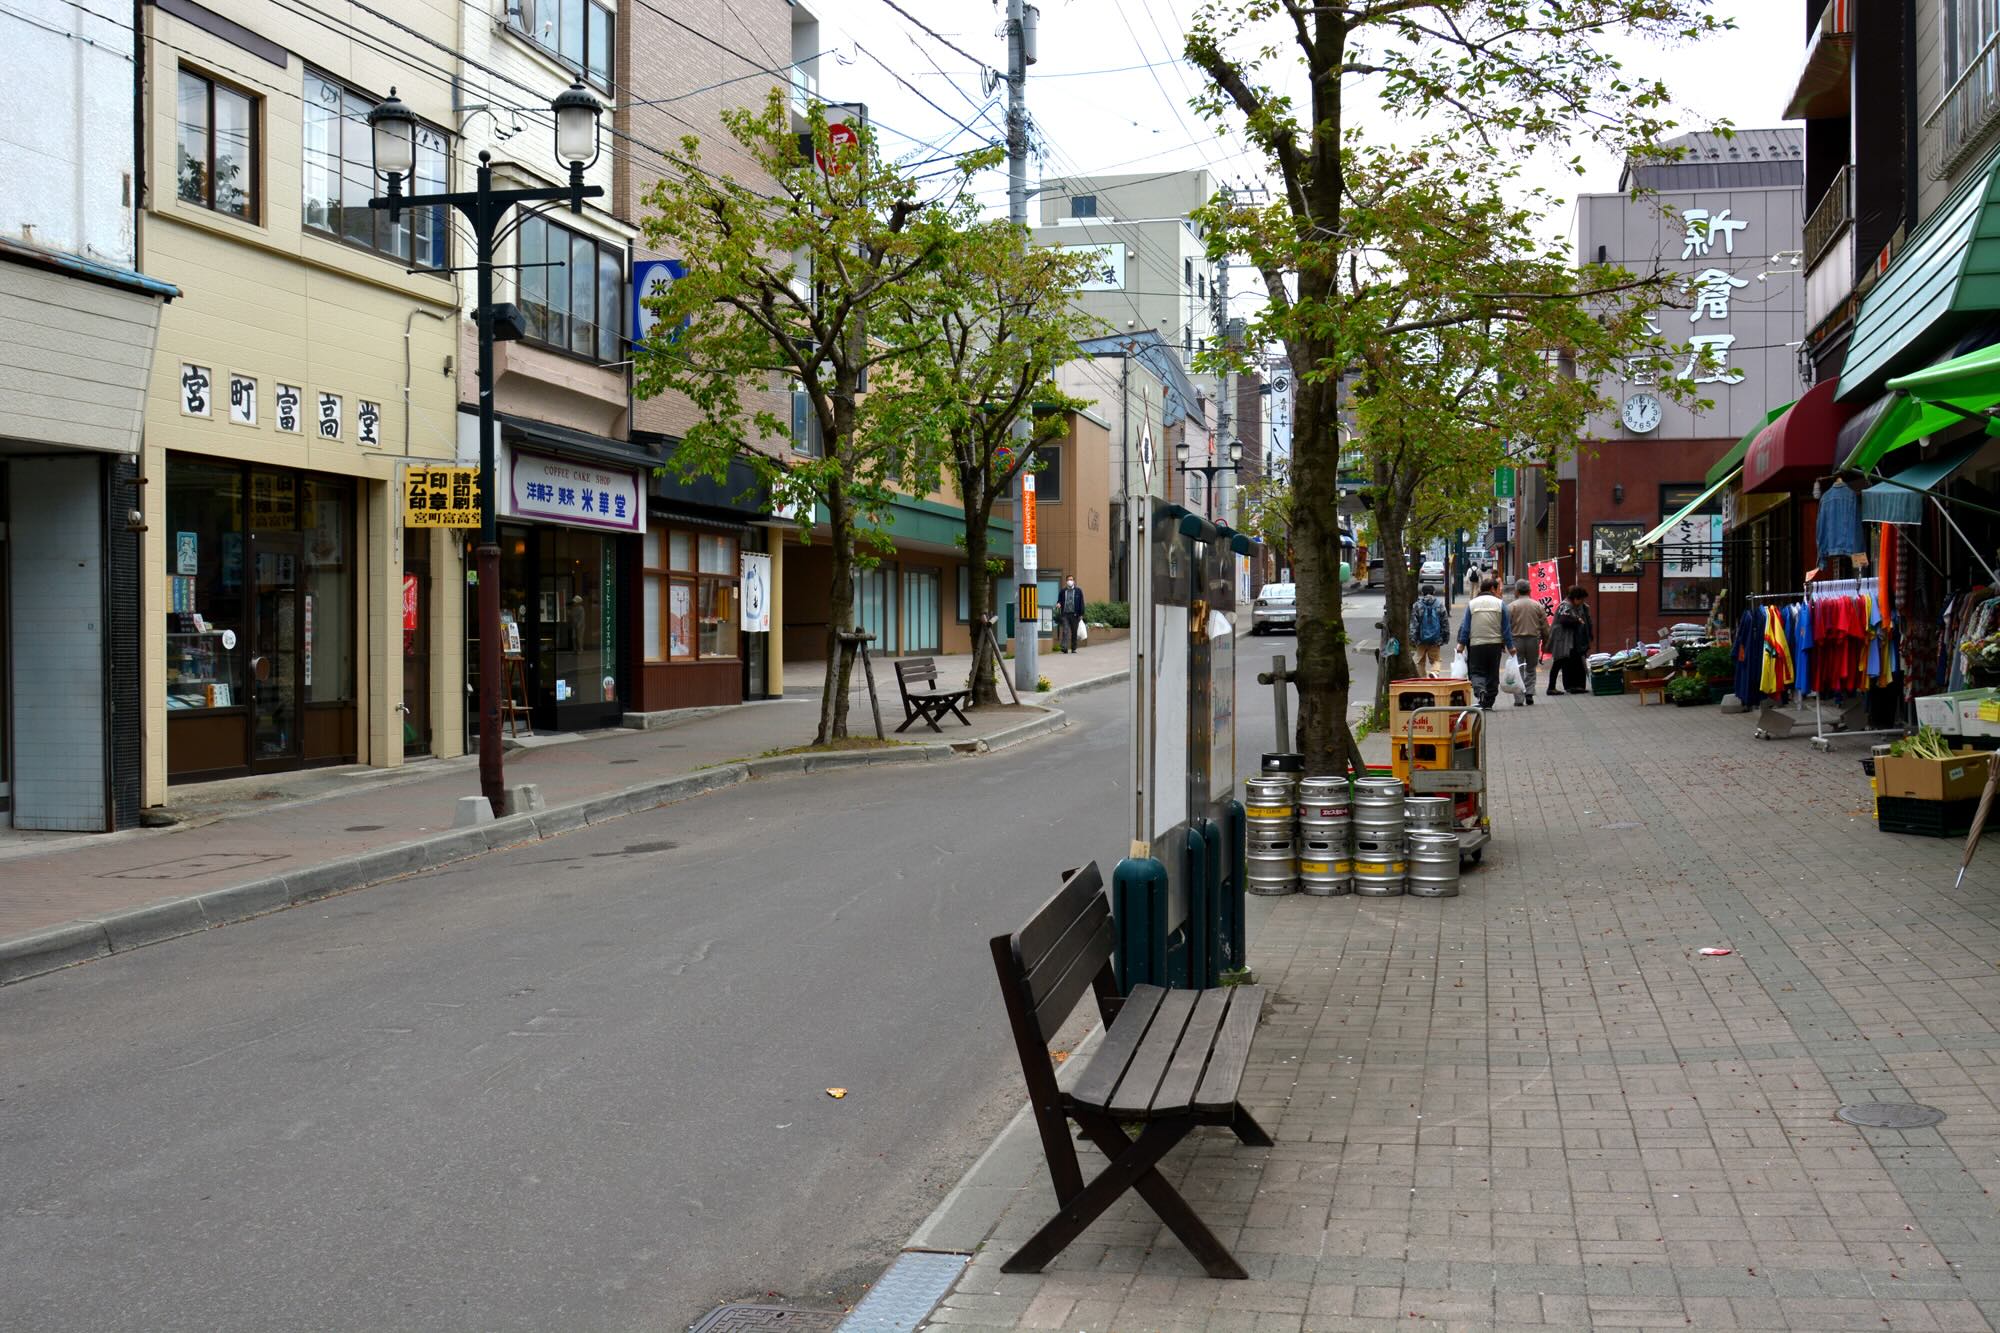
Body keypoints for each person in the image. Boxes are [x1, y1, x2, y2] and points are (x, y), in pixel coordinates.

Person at [1456, 576, 1513, 709]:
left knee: (1476, 671)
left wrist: (1461, 644)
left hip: (1476, 644)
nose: (1499, 591)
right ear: (1492, 588)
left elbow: (1466, 627)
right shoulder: (1500, 604)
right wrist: (1510, 646)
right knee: (1493, 672)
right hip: (1495, 645)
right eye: (1498, 588)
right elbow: (1506, 628)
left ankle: (1479, 690)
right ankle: (1489, 701)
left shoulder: (1472, 603)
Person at [1507, 579, 1548, 706]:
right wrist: (1546, 641)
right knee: (1531, 668)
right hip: (1533, 640)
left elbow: (1506, 627)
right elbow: (1545, 627)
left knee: (1518, 668)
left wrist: (1504, 643)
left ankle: (1519, 698)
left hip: (1516, 640)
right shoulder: (1538, 606)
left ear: (1517, 591)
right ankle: (1529, 693)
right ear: (1529, 591)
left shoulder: (1511, 606)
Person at [1546, 586, 1593, 696]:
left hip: (1570, 640)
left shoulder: (1575, 606)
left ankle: (1574, 686)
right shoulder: (1565, 605)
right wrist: (1577, 620)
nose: (1582, 602)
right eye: (1581, 599)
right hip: (1562, 640)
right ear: (1576, 598)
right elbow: (1563, 620)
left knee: (1573, 661)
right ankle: (1551, 688)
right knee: (1559, 662)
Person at [1409, 583, 1447, 676]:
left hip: (1420, 638)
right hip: (1435, 638)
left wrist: (1413, 638)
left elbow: (1414, 623)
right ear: (1434, 592)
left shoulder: (1417, 605)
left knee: (1420, 662)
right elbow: (1444, 622)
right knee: (1436, 660)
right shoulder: (1439, 605)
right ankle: (1434, 672)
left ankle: (1422, 680)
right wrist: (1445, 637)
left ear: (1422, 593)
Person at [1055, 575, 1086, 652]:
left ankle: (1073, 648)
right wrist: (1058, 604)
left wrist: (1081, 614)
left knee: (1074, 631)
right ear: (1066, 581)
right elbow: (1059, 600)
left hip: (1075, 615)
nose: (1070, 581)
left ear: (1074, 581)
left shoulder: (1078, 591)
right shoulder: (1063, 591)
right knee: (1065, 630)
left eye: (1071, 579)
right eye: (1068, 579)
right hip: (1065, 614)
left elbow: (1081, 603)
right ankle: (1064, 648)